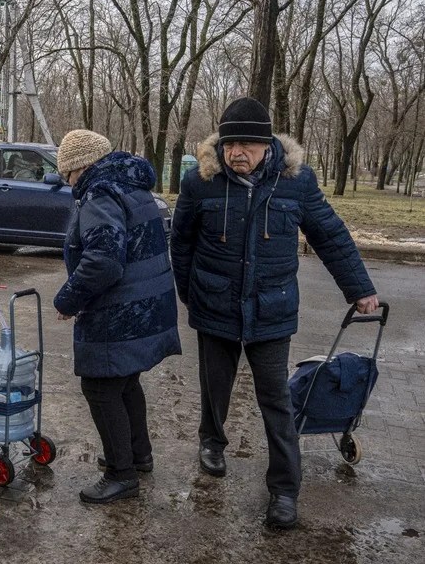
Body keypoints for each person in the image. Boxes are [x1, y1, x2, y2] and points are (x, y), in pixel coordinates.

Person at [170, 97, 379, 528]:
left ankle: (284, 490)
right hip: (215, 304)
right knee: (215, 385)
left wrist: (359, 288)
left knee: (276, 400)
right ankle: (212, 441)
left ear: (267, 145)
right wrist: (191, 294)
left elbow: (329, 234)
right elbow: (182, 242)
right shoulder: (200, 182)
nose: (236, 153)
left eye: (246, 145)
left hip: (271, 309)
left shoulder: (295, 182)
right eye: (230, 144)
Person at [53, 129, 182, 504]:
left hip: (119, 310)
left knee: (100, 388)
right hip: (145, 305)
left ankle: (120, 474)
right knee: (125, 382)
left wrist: (68, 299)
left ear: (80, 167)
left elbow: (104, 260)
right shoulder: (131, 185)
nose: (69, 183)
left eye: (68, 175)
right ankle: (137, 455)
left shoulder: (99, 193)